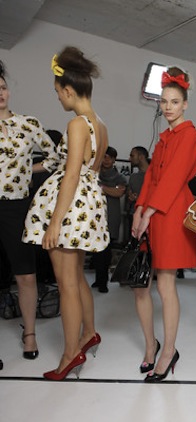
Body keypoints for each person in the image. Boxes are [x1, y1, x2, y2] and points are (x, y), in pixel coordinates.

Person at [22, 46, 109, 380]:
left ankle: (70, 354)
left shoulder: (76, 124)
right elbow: (82, 170)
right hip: (87, 205)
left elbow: (71, 175)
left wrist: (54, 223)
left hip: (70, 208)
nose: (58, 97)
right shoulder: (100, 125)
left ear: (69, 90)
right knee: (77, 279)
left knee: (67, 283)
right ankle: (89, 333)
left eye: (58, 91)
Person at [131, 66, 196, 382]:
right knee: (140, 285)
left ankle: (168, 350)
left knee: (165, 284)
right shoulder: (163, 139)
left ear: (185, 104)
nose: (168, 107)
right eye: (164, 101)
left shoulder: (190, 136)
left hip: (171, 214)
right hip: (151, 212)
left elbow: (174, 178)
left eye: (174, 101)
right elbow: (151, 176)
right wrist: (139, 209)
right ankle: (151, 345)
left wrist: (149, 212)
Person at [0, 60, 59, 360]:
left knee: (25, 274)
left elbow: (55, 157)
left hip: (17, 206)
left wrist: (26, 169)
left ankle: (30, 334)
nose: (0, 93)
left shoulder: (28, 124)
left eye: (3, 87)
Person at [92, 146, 126, 293]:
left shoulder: (119, 177)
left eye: (109, 157)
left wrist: (101, 187)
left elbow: (118, 192)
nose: (106, 160)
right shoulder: (94, 173)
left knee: (106, 251)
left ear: (113, 160)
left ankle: (103, 281)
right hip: (94, 215)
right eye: (104, 157)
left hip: (111, 216)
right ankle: (98, 279)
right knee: (95, 250)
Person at [125, 146, 149, 242]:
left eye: (132, 156)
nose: (129, 159)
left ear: (141, 157)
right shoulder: (133, 177)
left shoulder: (155, 176)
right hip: (134, 216)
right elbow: (128, 196)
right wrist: (130, 197)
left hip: (148, 217)